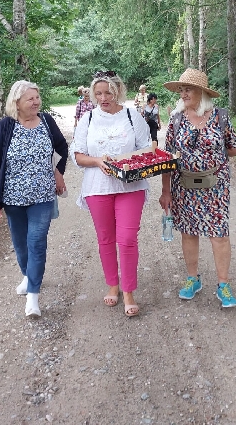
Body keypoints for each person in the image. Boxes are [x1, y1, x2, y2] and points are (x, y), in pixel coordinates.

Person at [158, 69, 236, 308]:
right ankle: (192, 279)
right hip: (183, 185)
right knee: (188, 232)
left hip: (215, 186)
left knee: (219, 234)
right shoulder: (176, 119)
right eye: (181, 90)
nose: (183, 94)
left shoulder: (220, 117)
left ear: (202, 93)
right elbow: (167, 158)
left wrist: (211, 156)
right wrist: (166, 191)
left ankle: (223, 285)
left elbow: (235, 148)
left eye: (188, 90)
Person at [71, 71, 152, 317]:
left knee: (127, 238)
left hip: (130, 186)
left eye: (108, 93)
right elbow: (78, 155)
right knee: (105, 238)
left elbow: (147, 149)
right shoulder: (88, 119)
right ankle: (112, 285)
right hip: (97, 187)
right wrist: (97, 161)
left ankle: (128, 291)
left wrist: (129, 163)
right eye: (98, 94)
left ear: (118, 92)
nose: (103, 98)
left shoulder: (132, 116)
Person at [0, 80, 69, 318]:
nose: (35, 102)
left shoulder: (46, 121)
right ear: (16, 103)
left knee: (36, 242)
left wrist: (58, 172)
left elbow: (62, 148)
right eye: (30, 99)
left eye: (37, 97)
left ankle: (33, 296)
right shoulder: (4, 127)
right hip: (13, 198)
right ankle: (27, 274)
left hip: (43, 196)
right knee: (21, 244)